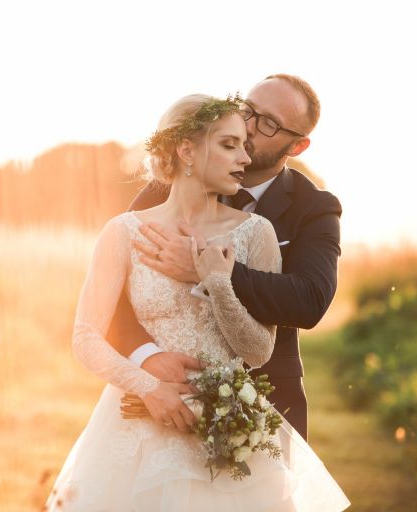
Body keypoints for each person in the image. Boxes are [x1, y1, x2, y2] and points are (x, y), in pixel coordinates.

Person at [46, 93, 349, 511]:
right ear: (186, 149)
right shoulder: (125, 228)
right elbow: (88, 332)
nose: (245, 152)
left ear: (296, 144)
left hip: (231, 425)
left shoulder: (266, 228)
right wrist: (148, 380)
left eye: (254, 136)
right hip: (137, 417)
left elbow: (270, 341)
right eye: (232, 141)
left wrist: (216, 280)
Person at [108, 74, 340, 440]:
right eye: (247, 109)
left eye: (268, 124)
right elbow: (112, 294)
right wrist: (145, 359)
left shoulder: (315, 208)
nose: (248, 127)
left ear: (297, 147)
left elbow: (309, 300)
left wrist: (208, 272)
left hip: (265, 398)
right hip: (162, 394)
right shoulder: (167, 188)